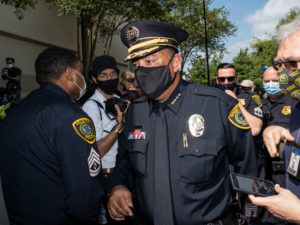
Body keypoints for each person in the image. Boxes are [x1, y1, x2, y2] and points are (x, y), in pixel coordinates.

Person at [107, 20, 261, 225]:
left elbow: (248, 167)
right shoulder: (134, 113)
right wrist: (118, 186)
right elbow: (124, 162)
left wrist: (252, 212)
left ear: (176, 63)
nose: (142, 71)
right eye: (137, 65)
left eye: (150, 62)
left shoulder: (217, 106)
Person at [0, 47, 104, 225]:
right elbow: (84, 194)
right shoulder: (71, 116)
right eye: (80, 73)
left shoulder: (15, 112)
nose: (83, 79)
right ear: (70, 74)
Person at [249, 15, 300, 224]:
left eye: (292, 63)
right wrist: (275, 131)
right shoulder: (297, 108)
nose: (283, 74)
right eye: (279, 64)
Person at [82, 55, 128, 225]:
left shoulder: (118, 99)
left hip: (122, 173)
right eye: (103, 75)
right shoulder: (91, 107)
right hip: (106, 178)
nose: (109, 79)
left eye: (112, 74)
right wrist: (119, 126)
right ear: (94, 79)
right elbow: (95, 151)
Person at [216, 63, 263, 136]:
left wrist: (236, 101)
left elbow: (256, 128)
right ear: (217, 80)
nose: (226, 82)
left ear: (236, 79)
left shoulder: (249, 97)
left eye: (230, 79)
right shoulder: (211, 98)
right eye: (222, 79)